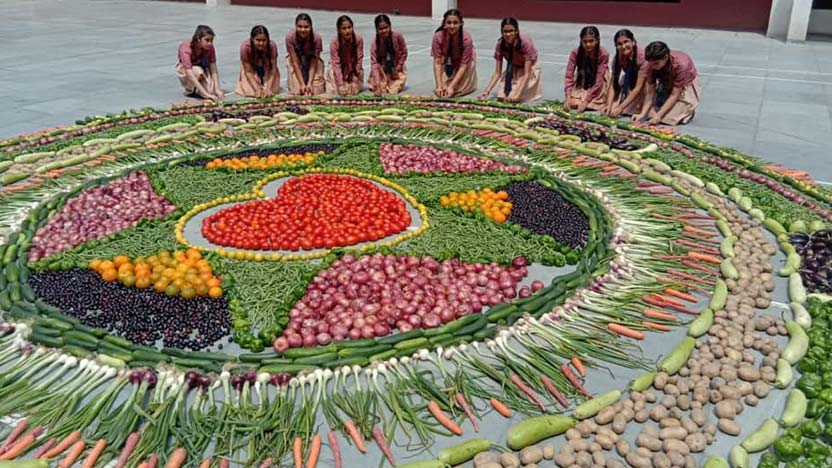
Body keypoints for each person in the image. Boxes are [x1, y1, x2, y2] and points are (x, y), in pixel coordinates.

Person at [633, 41, 701, 125]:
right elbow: (650, 92)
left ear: (666, 57)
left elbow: (674, 94)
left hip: (684, 86)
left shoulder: (681, 65)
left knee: (668, 119)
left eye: (656, 63)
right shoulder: (650, 65)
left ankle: (689, 112)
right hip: (665, 83)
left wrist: (659, 116)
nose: (653, 67)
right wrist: (642, 114)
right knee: (650, 115)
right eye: (651, 64)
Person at [479, 18, 542, 103]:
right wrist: (487, 91)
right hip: (513, 68)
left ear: (516, 31)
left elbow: (527, 74)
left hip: (529, 69)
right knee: (501, 96)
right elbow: (497, 72)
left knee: (514, 97)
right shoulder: (500, 44)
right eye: (505, 31)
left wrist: (517, 94)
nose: (508, 34)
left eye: (511, 31)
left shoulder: (525, 43)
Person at [431, 9, 477, 98]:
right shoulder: (438, 37)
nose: (452, 26)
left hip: (465, 62)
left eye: (455, 23)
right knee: (443, 89)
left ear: (461, 23)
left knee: (458, 90)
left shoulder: (466, 40)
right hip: (446, 60)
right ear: (444, 23)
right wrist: (438, 86)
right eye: (449, 22)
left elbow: (464, 65)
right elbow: (437, 62)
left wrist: (452, 87)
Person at [603, 29, 649, 118]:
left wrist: (620, 108)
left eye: (626, 42)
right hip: (629, 81)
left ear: (633, 42)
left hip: (644, 84)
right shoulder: (618, 58)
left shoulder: (643, 58)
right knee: (612, 107)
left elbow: (638, 88)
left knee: (625, 109)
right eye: (619, 44)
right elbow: (613, 83)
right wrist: (608, 104)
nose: (623, 46)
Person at [563, 26, 609, 112]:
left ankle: (591, 98)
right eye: (585, 41)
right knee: (573, 103)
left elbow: (599, 81)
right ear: (581, 41)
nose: (588, 44)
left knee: (591, 104)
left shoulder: (603, 54)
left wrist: (586, 101)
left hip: (599, 81)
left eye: (591, 41)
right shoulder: (575, 53)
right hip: (583, 79)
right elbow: (568, 76)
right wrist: (568, 97)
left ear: (597, 40)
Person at [176, 25, 223, 101]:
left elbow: (213, 67)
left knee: (211, 91)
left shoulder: (210, 47)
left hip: (203, 68)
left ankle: (198, 89)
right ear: (198, 39)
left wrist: (217, 89)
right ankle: (190, 89)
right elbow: (189, 72)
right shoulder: (185, 47)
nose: (210, 43)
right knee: (197, 72)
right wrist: (205, 94)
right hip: (187, 71)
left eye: (211, 40)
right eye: (207, 40)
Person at [235, 25, 280, 98]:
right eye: (258, 40)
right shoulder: (245, 47)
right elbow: (248, 71)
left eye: (264, 40)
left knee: (271, 91)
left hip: (267, 66)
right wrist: (257, 89)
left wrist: (269, 87)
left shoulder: (272, 46)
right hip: (250, 68)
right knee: (251, 92)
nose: (261, 43)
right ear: (252, 39)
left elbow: (273, 69)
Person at [286, 13, 326, 96]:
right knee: (298, 91)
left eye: (306, 27)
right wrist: (301, 83)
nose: (303, 30)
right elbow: (295, 62)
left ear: (311, 27)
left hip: (312, 62)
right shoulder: (290, 37)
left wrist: (310, 82)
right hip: (296, 61)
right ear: (295, 26)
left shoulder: (316, 38)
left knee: (315, 91)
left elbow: (314, 61)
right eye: (299, 27)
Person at [368, 14, 408, 96]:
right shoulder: (374, 43)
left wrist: (398, 68)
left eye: (386, 27)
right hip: (381, 69)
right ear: (376, 29)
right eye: (380, 29)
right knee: (376, 86)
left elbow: (404, 52)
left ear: (390, 26)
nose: (384, 31)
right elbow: (374, 64)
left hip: (396, 66)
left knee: (393, 90)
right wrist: (378, 85)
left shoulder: (397, 36)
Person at [326, 16, 364, 96]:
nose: (347, 31)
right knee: (336, 90)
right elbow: (336, 64)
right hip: (338, 68)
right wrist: (340, 84)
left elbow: (359, 60)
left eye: (349, 27)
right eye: (344, 28)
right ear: (339, 30)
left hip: (353, 69)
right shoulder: (334, 42)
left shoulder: (358, 39)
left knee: (353, 89)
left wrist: (355, 80)